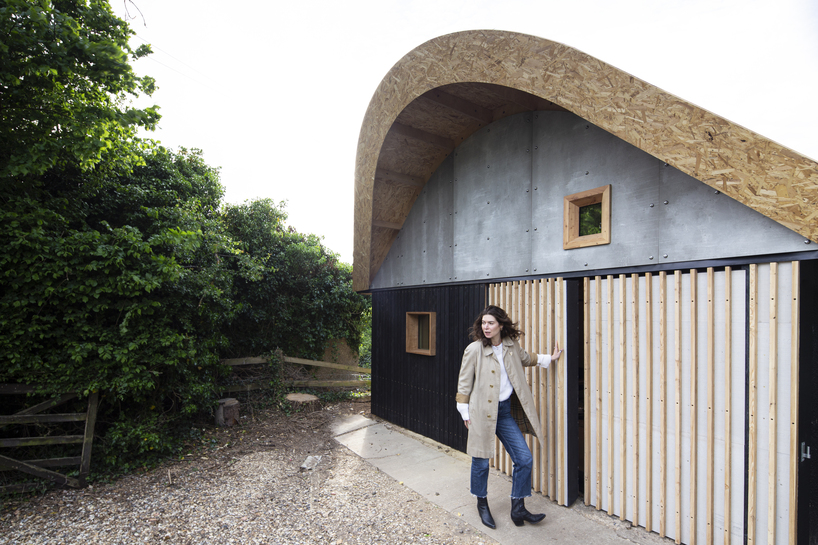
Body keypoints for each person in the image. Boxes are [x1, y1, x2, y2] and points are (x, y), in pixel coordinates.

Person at [455, 305, 562, 529]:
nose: (486, 327)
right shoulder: (474, 349)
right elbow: (464, 383)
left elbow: (526, 358)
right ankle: (482, 504)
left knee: (524, 459)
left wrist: (549, 358)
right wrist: (464, 412)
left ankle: (518, 508)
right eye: (483, 323)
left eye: (491, 323)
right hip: (480, 413)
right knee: (481, 461)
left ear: (500, 325)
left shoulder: (511, 346)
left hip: (503, 412)